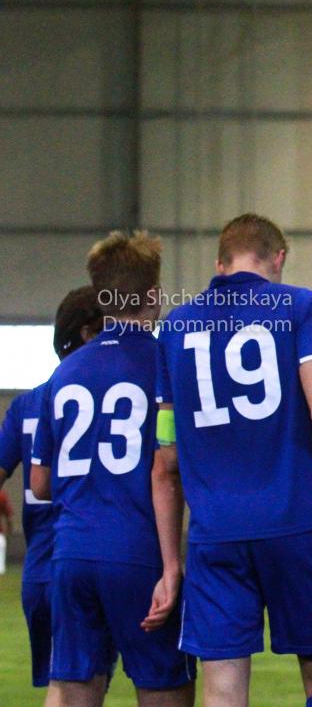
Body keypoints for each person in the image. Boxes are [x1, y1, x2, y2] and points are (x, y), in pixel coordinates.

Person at [148, 214, 312, 707]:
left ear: (219, 264)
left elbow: (166, 451)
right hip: (296, 523)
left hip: (215, 533)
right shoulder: (301, 306)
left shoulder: (175, 326)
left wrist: (171, 563)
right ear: (278, 258)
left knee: (222, 691)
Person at [29, 232, 196, 707]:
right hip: (139, 552)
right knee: (163, 687)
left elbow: (40, 483)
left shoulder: (64, 373)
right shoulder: (166, 362)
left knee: (74, 689)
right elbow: (171, 465)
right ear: (154, 296)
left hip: (71, 554)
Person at [0, 286, 104, 703]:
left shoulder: (27, 404)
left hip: (42, 571)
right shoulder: (115, 396)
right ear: (88, 333)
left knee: (69, 687)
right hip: (97, 556)